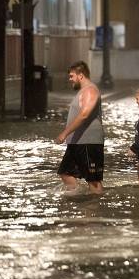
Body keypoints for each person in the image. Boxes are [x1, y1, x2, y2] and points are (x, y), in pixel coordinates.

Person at [55, 61, 104, 194]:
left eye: (72, 76)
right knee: (65, 173)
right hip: (77, 142)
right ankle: (77, 199)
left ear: (80, 75)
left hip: (89, 141)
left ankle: (95, 209)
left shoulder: (90, 90)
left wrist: (64, 133)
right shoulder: (83, 91)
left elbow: (84, 115)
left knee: (93, 180)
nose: (70, 79)